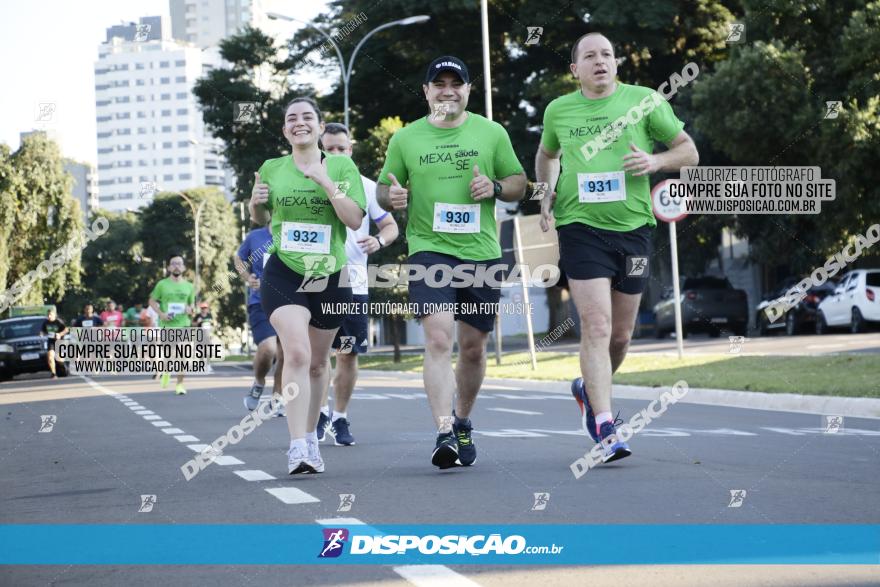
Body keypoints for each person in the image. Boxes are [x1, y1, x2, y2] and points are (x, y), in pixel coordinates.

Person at [536, 32, 699, 463]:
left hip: (633, 229)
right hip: (579, 227)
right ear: (575, 69)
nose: (600, 61)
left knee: (622, 336)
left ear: (616, 63)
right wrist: (545, 193)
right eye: (589, 56)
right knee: (597, 325)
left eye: (607, 54)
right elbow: (547, 155)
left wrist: (655, 162)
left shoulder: (644, 101)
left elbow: (689, 152)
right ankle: (606, 425)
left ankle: (587, 391)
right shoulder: (559, 110)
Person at [377, 56, 527, 469]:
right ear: (426, 92)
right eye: (438, 83)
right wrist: (394, 197)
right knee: (439, 339)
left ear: (467, 90)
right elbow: (383, 191)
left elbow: (520, 184)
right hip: (429, 248)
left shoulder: (491, 132)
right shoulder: (405, 140)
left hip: (480, 251)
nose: (447, 90)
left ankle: (462, 421)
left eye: (455, 83)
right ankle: (444, 431)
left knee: (473, 349)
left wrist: (494, 186)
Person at [249, 96, 366, 474]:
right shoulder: (271, 167)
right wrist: (255, 204)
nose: (299, 122)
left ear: (318, 127)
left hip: (330, 274)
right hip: (284, 272)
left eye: (307, 117)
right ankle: (297, 446)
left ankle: (313, 437)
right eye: (291, 118)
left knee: (318, 364)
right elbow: (261, 215)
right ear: (285, 130)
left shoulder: (343, 165)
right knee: (296, 354)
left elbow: (352, 220)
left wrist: (326, 181)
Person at [314, 122, 399, 446]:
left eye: (341, 148)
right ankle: (319, 412)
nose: (335, 153)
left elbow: (390, 226)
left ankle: (340, 417)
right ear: (321, 150)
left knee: (347, 354)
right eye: (329, 148)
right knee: (318, 357)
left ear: (350, 150)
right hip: (315, 279)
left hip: (354, 282)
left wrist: (379, 241)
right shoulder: (309, 183)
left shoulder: (365, 186)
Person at [236, 222, 286, 415]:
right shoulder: (255, 236)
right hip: (261, 301)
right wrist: (248, 278)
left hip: (291, 301)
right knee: (268, 348)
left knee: (286, 354)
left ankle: (277, 398)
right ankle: (259, 382)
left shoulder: (294, 232)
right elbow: (238, 258)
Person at [149, 254, 196, 395]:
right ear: (169, 267)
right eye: (173, 263)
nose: (176, 265)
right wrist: (161, 314)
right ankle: (166, 371)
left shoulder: (189, 286)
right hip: (167, 326)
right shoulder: (162, 285)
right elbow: (151, 301)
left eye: (179, 263)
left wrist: (191, 310)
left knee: (184, 357)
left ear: (184, 267)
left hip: (183, 325)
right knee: (169, 356)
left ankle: (180, 385)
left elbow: (192, 306)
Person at [40, 308, 68, 379]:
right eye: (48, 315)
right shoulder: (45, 322)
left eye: (51, 315)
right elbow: (43, 331)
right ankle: (53, 373)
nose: (49, 316)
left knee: (60, 360)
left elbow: (66, 330)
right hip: (51, 341)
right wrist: (41, 333)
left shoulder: (58, 321)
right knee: (50, 356)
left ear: (54, 315)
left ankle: (64, 368)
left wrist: (60, 334)